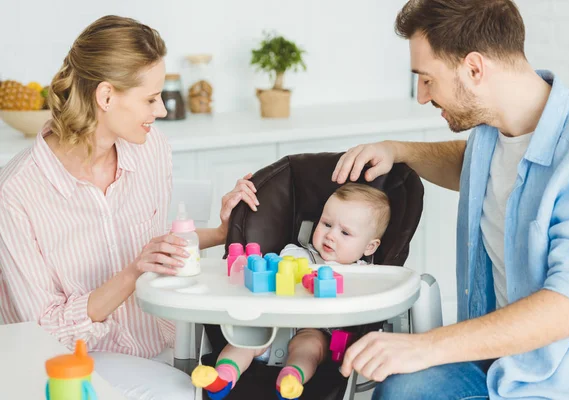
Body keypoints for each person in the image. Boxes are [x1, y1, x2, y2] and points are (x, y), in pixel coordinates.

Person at [333, 1, 569, 399]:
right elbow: (473, 168)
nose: (423, 97)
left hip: (553, 383)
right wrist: (397, 149)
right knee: (397, 387)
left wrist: (426, 346)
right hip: (491, 365)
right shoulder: (492, 132)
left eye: (427, 79)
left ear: (474, 68)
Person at [0, 15, 259, 400]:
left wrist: (222, 232)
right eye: (151, 99)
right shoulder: (16, 192)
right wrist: (132, 272)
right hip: (75, 367)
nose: (163, 111)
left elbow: (157, 249)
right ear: (106, 97)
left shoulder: (152, 149)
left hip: (170, 343)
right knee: (181, 394)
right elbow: (42, 331)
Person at [191, 183, 391, 399]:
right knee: (243, 342)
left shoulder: (366, 276)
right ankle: (223, 377)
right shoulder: (294, 254)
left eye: (345, 232)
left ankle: (290, 379)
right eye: (326, 224)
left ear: (369, 247)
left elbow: (374, 302)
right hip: (271, 324)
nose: (331, 235)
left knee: (310, 349)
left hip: (315, 330)